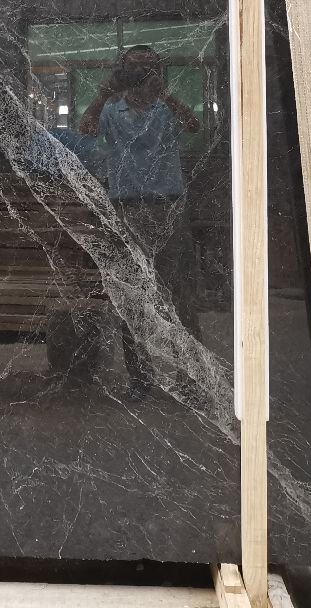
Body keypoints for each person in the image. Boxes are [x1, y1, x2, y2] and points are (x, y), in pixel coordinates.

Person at [79, 44, 201, 397]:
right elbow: (86, 130)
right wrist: (104, 93)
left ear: (158, 70)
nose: (141, 73)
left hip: (167, 206)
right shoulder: (113, 109)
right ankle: (140, 378)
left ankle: (191, 378)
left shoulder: (165, 108)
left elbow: (194, 125)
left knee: (177, 294)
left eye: (148, 66)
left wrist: (165, 94)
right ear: (122, 70)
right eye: (134, 67)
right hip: (127, 207)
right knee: (133, 294)